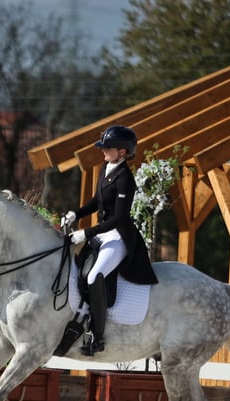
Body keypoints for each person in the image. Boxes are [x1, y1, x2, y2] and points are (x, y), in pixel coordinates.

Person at [61, 125, 159, 356]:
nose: (103, 151)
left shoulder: (126, 179)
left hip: (119, 236)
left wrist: (86, 233)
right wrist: (77, 213)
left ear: (123, 152)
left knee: (96, 275)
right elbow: (97, 201)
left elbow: (119, 218)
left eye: (108, 148)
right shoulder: (107, 167)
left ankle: (97, 336)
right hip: (103, 232)